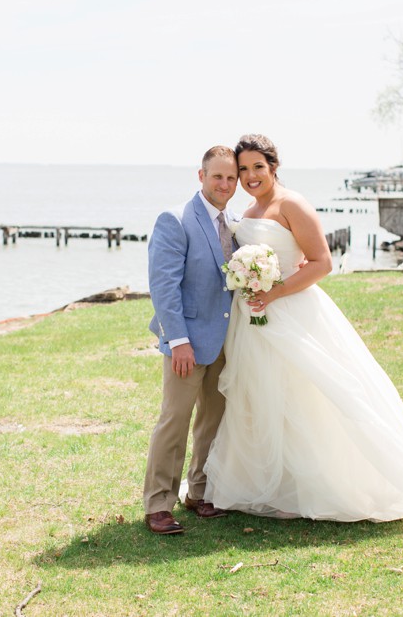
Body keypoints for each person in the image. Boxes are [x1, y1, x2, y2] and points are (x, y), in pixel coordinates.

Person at [204, 134, 403, 523]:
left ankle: (324, 485)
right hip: (253, 322)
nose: (251, 176)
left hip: (291, 313)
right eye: (243, 170)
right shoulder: (250, 210)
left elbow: (322, 263)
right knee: (262, 399)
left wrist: (273, 294)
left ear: (273, 166)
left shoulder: (293, 204)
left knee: (308, 398)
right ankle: (273, 484)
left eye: (258, 167)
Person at [142, 146, 239, 535]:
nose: (225, 184)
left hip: (223, 343)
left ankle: (198, 492)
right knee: (175, 422)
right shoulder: (176, 219)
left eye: (231, 178)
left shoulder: (233, 221)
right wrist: (178, 340)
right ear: (201, 176)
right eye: (218, 177)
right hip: (187, 344)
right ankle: (157, 503)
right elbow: (163, 286)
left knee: (212, 421)